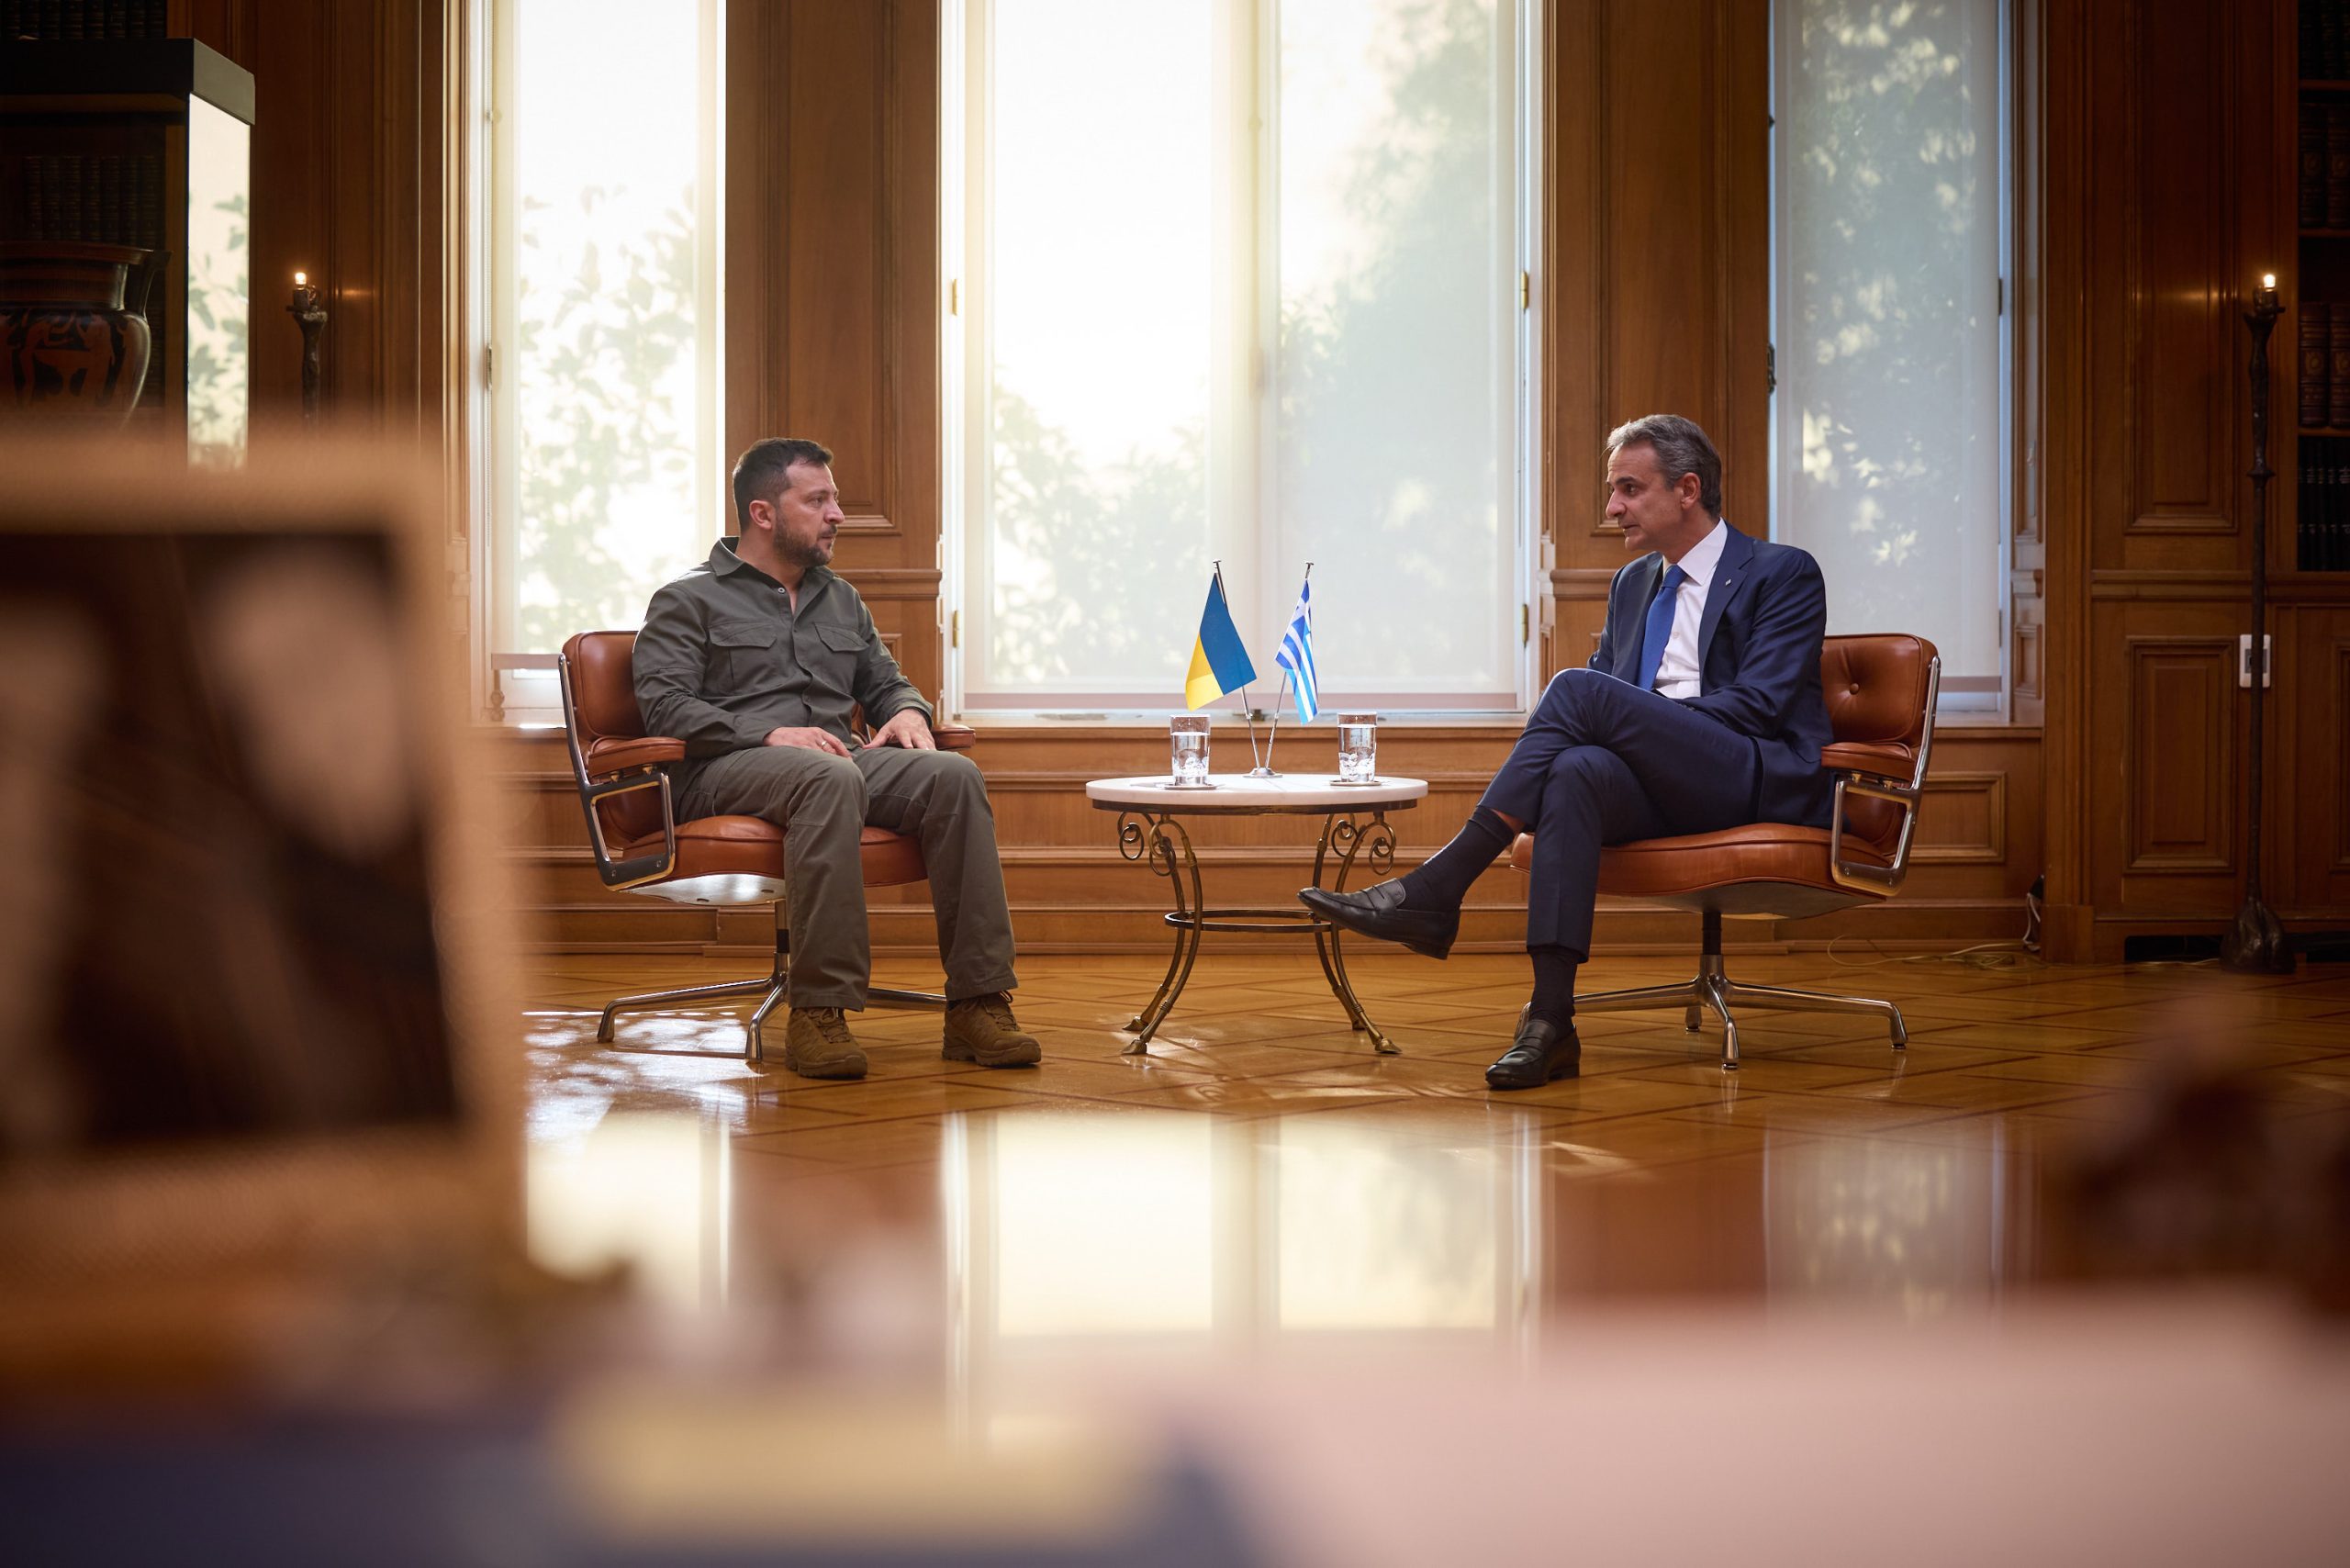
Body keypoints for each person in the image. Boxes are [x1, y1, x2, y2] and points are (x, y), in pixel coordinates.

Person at [1300, 414, 1831, 1090]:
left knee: (1578, 691)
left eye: (1629, 489)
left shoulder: (1782, 572)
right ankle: (1550, 1023)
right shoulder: (1633, 583)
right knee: (1577, 769)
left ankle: (1441, 885)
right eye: (1614, 491)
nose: (1612, 508)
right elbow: (1601, 711)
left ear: (1688, 489)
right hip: (1656, 785)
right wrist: (1635, 727)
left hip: (1746, 775)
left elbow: (1759, 706)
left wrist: (1645, 722)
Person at [633, 437, 1037, 1081]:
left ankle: (977, 1002)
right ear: (764, 513)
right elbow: (666, 707)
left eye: (836, 499)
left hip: (835, 763)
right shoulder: (688, 599)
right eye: (818, 500)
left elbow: (886, 682)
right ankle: (818, 1010)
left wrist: (908, 711)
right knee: (826, 775)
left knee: (953, 776)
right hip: (723, 769)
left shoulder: (841, 599)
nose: (838, 514)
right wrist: (769, 733)